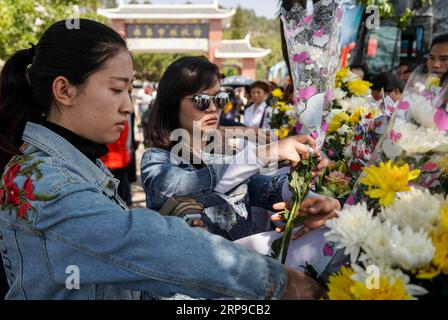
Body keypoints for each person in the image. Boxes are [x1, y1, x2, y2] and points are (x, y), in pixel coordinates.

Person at [0, 19, 323, 300]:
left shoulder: (64, 165)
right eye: (117, 90)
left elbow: (256, 186)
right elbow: (149, 243)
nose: (128, 107)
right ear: (65, 91)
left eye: (219, 99)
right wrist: (276, 281)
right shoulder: (48, 183)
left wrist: (300, 193)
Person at [140, 56, 329, 241]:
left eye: (220, 99)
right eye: (202, 100)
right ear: (173, 104)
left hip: (240, 263)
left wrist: (305, 187)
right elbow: (179, 186)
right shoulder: (156, 159)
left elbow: (262, 187)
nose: (214, 108)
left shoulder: (223, 152)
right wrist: (264, 153)